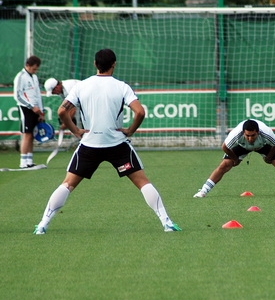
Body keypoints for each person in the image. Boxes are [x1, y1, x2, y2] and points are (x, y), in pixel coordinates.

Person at [34, 49, 181, 234]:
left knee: (68, 184)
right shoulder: (121, 86)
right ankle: (166, 222)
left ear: (95, 64)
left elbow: (62, 111)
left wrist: (76, 130)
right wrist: (130, 131)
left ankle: (42, 225)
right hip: (117, 145)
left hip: (89, 145)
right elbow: (140, 112)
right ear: (114, 64)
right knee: (143, 182)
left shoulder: (81, 86)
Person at [193, 118, 275, 198]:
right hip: (241, 146)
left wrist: (269, 157)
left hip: (263, 145)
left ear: (258, 132)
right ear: (243, 132)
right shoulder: (236, 134)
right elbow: (225, 147)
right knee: (224, 165)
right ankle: (203, 191)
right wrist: (235, 159)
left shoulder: (266, 132)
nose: (250, 138)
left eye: (253, 135)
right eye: (247, 135)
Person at [13, 55, 44, 168]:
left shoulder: (34, 77)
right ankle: (23, 162)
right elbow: (17, 96)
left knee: (32, 134)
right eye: (34, 68)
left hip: (35, 109)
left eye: (36, 69)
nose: (35, 71)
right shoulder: (20, 77)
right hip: (25, 108)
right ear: (27, 65)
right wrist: (31, 106)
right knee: (26, 134)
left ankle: (29, 160)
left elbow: (38, 95)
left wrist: (41, 111)